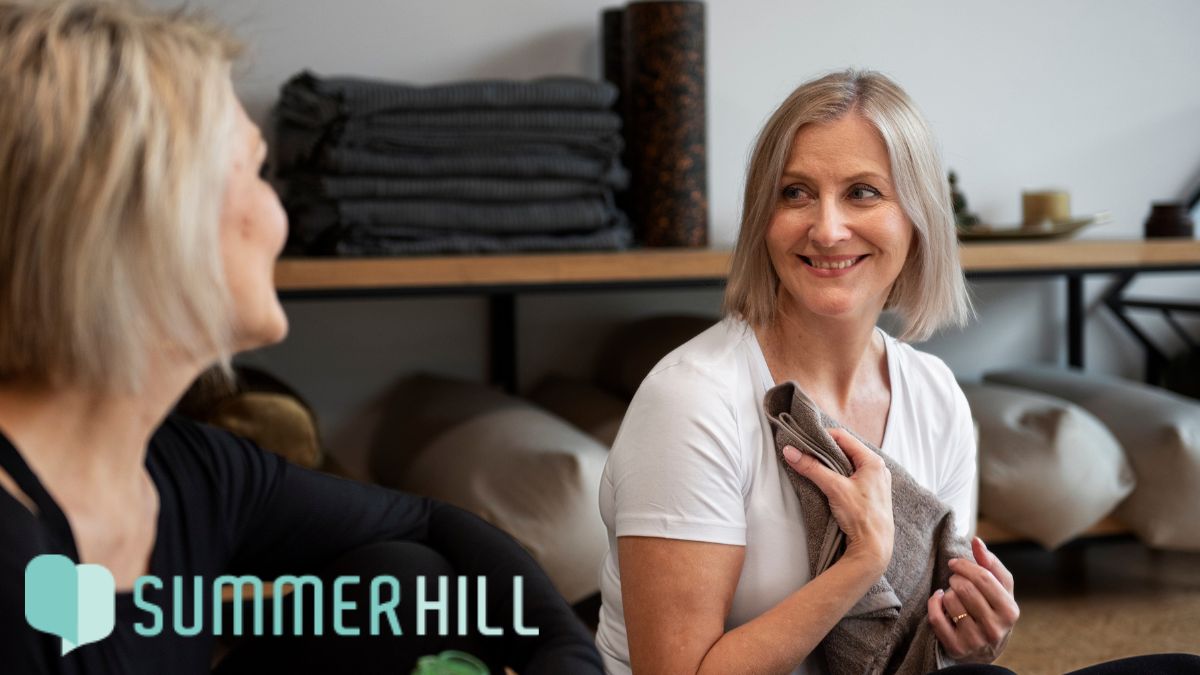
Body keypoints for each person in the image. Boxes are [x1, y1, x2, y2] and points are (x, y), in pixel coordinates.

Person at [0, 2, 601, 674]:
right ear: (152, 218)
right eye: (256, 173)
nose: (278, 213)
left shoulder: (178, 469)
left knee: (406, 583)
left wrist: (567, 656)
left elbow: (428, 524)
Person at [595, 70, 1200, 675]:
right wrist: (860, 565)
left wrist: (970, 639)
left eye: (862, 192)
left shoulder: (934, 394)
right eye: (796, 192)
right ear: (763, 217)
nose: (827, 229)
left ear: (917, 217)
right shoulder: (692, 401)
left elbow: (924, 640)